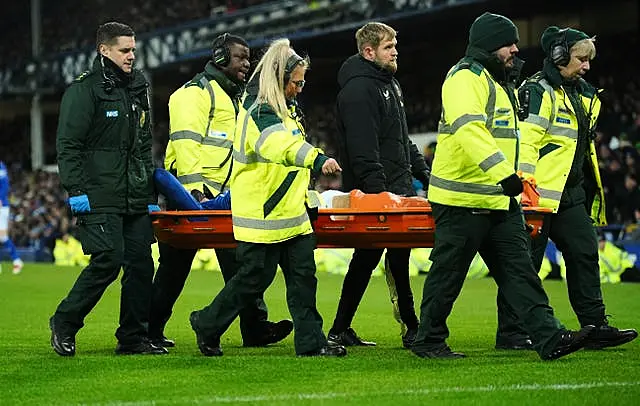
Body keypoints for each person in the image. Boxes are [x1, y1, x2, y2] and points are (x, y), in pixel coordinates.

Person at [411, 12, 595, 360]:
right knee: (448, 276)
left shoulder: (498, 82)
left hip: (498, 199)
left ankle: (549, 337)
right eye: (508, 43)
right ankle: (428, 340)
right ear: (490, 44)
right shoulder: (465, 77)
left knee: (521, 274)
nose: (515, 48)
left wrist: (510, 180)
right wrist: (504, 174)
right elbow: (469, 129)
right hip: (461, 199)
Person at [189, 38, 346, 357]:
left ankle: (311, 343)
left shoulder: (284, 109)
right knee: (251, 281)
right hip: (262, 216)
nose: (300, 88)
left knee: (303, 280)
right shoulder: (260, 110)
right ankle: (207, 324)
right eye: (296, 82)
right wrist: (316, 159)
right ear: (279, 79)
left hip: (292, 214)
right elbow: (278, 146)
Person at [149, 33, 293, 349]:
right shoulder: (191, 94)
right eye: (240, 57)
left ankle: (254, 328)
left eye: (248, 57)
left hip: (228, 197)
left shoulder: (238, 98)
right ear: (220, 58)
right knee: (175, 268)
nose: (247, 63)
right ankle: (150, 330)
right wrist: (194, 195)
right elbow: (187, 145)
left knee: (242, 265)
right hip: (190, 200)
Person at [497, 26, 637, 349]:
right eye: (581, 58)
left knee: (585, 253)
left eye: (589, 59)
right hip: (539, 194)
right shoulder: (538, 91)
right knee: (525, 263)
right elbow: (527, 142)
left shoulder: (587, 94)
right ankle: (512, 333)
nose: (587, 66)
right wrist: (525, 189)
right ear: (558, 56)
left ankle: (595, 324)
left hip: (571, 193)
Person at [49, 22, 167, 356]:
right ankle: (65, 322)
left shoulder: (138, 86)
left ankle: (132, 337)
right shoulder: (84, 91)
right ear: (104, 50)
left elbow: (143, 144)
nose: (132, 56)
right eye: (125, 50)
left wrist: (149, 196)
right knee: (108, 260)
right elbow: (68, 145)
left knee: (142, 264)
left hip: (134, 194)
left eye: (133, 50)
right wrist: (76, 190)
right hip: (98, 193)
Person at [330, 22, 431, 348]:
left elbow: (402, 141)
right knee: (395, 259)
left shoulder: (391, 85)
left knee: (368, 259)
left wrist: (425, 175)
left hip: (396, 188)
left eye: (395, 45)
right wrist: (381, 194)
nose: (395, 51)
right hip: (378, 193)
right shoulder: (359, 90)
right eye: (389, 47)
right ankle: (412, 327)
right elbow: (363, 150)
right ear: (369, 51)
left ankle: (340, 328)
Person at [0, 161, 24, 275]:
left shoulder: (0, 166)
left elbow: (5, 184)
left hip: (1, 206)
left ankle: (17, 260)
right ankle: (16, 260)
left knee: (3, 237)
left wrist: (0, 198)